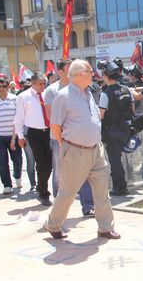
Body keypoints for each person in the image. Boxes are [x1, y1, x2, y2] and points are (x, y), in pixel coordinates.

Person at [44, 60, 119, 240]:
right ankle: (53, 224)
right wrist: (68, 146)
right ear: (79, 74)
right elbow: (55, 126)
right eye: (90, 71)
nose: (93, 73)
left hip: (96, 149)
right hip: (76, 151)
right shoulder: (63, 96)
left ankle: (105, 227)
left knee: (102, 191)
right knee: (68, 193)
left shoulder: (89, 93)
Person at [44, 59, 94, 216]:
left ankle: (88, 206)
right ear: (60, 72)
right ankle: (59, 211)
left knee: (85, 173)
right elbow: (52, 118)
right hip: (61, 140)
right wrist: (64, 138)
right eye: (68, 69)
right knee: (60, 173)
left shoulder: (84, 90)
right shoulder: (53, 91)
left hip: (82, 142)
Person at [14, 72, 53, 206]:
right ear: (33, 83)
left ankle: (40, 185)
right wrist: (19, 136)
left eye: (44, 83)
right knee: (42, 163)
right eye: (41, 84)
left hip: (49, 132)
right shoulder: (23, 97)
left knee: (49, 164)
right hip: (33, 134)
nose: (43, 86)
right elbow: (18, 118)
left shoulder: (47, 94)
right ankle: (44, 193)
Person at [99, 59, 134, 196]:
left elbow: (101, 115)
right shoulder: (127, 89)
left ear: (106, 76)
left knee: (115, 160)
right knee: (121, 157)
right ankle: (122, 184)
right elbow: (132, 108)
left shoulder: (105, 94)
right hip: (125, 129)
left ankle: (120, 187)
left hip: (111, 130)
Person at [0, 77, 24, 194]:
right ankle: (7, 184)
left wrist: (14, 137)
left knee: (17, 159)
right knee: (2, 162)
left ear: (8, 87)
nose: (1, 89)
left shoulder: (15, 99)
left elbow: (18, 119)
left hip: (13, 135)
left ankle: (17, 176)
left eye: (3, 86)